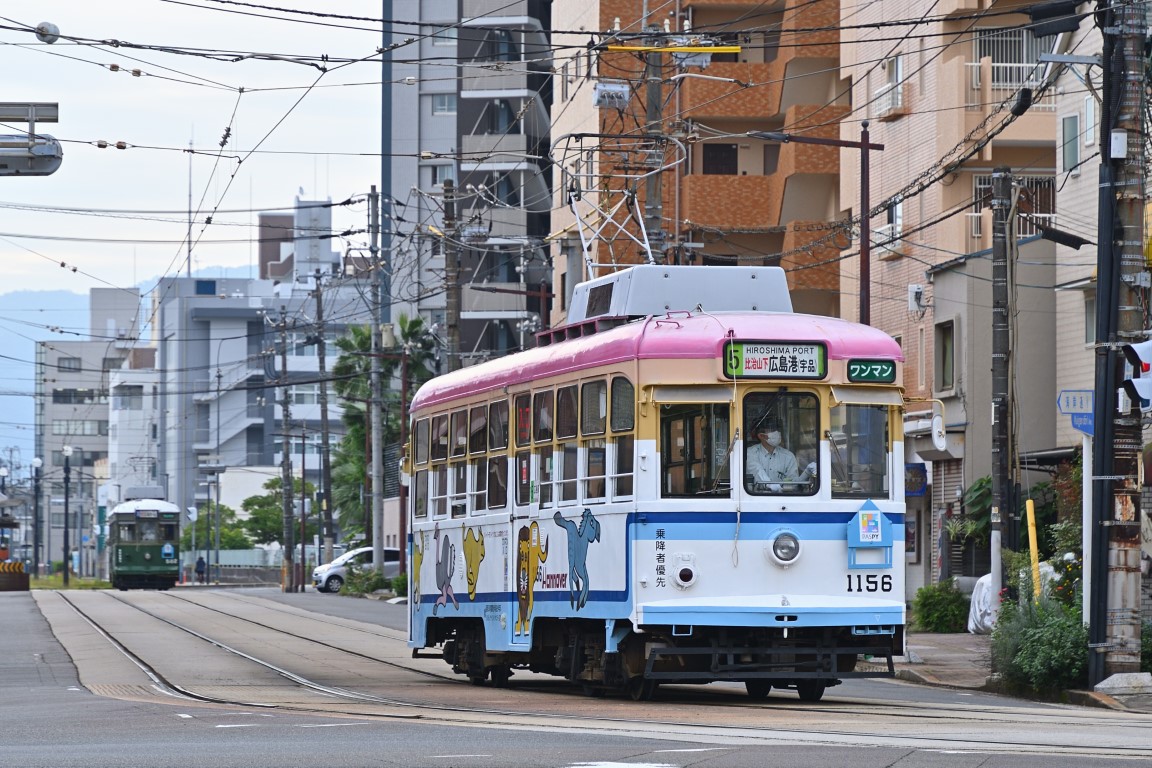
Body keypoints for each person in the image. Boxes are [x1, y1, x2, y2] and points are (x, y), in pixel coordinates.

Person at [746, 424, 816, 491]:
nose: (777, 433)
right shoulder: (750, 452)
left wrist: (806, 473)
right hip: (755, 498)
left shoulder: (788, 456)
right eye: (772, 430)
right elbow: (757, 470)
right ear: (761, 436)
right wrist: (770, 485)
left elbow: (793, 484)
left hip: (781, 500)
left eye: (777, 430)